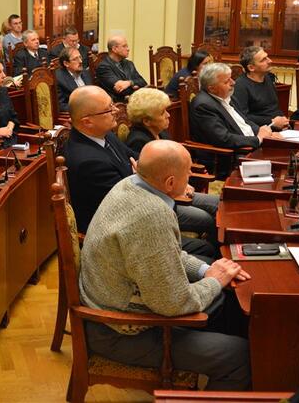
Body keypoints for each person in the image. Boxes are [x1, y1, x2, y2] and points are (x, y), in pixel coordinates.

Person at [80, 139, 251, 390]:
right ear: (170, 183)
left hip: (112, 305)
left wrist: (207, 271)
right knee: (239, 356)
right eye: (187, 174)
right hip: (118, 330)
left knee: (227, 303)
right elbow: (172, 303)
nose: (190, 181)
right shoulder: (152, 214)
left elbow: (166, 253)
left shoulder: (129, 184)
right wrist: (215, 281)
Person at [63, 86, 217, 256]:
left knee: (215, 206)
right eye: (108, 109)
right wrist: (166, 186)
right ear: (87, 121)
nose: (116, 111)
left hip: (149, 198)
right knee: (207, 236)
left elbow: (140, 160)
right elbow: (126, 203)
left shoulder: (104, 135)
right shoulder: (88, 162)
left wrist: (171, 180)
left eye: (112, 105)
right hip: (126, 228)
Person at [126, 88, 220, 239]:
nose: (168, 115)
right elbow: (151, 183)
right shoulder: (138, 141)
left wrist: (184, 183)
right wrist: (181, 187)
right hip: (163, 201)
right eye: (162, 113)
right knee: (208, 218)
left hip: (177, 189)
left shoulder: (161, 132)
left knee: (219, 203)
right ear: (146, 121)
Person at [190, 63, 273, 151]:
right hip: (234, 153)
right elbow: (223, 138)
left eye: (231, 78)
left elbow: (245, 121)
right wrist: (258, 139)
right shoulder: (203, 105)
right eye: (226, 82)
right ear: (212, 88)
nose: (233, 82)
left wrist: (262, 131)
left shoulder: (226, 96)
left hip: (251, 144)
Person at [232, 46, 290, 130]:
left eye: (267, 57)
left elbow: (273, 108)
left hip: (279, 128)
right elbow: (242, 116)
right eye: (263, 60)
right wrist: (272, 122)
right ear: (251, 68)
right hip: (260, 131)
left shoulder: (267, 78)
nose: (270, 61)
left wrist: (283, 121)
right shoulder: (240, 85)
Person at [95, 35, 147, 102]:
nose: (128, 49)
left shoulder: (129, 63)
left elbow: (143, 82)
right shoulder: (103, 67)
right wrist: (134, 85)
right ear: (114, 49)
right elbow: (121, 90)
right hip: (116, 104)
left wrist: (129, 83)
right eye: (124, 46)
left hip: (133, 101)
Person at [55, 46, 92, 111]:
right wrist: (82, 109)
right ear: (66, 63)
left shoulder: (85, 73)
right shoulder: (58, 79)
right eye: (75, 59)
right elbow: (60, 105)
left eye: (80, 57)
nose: (80, 61)